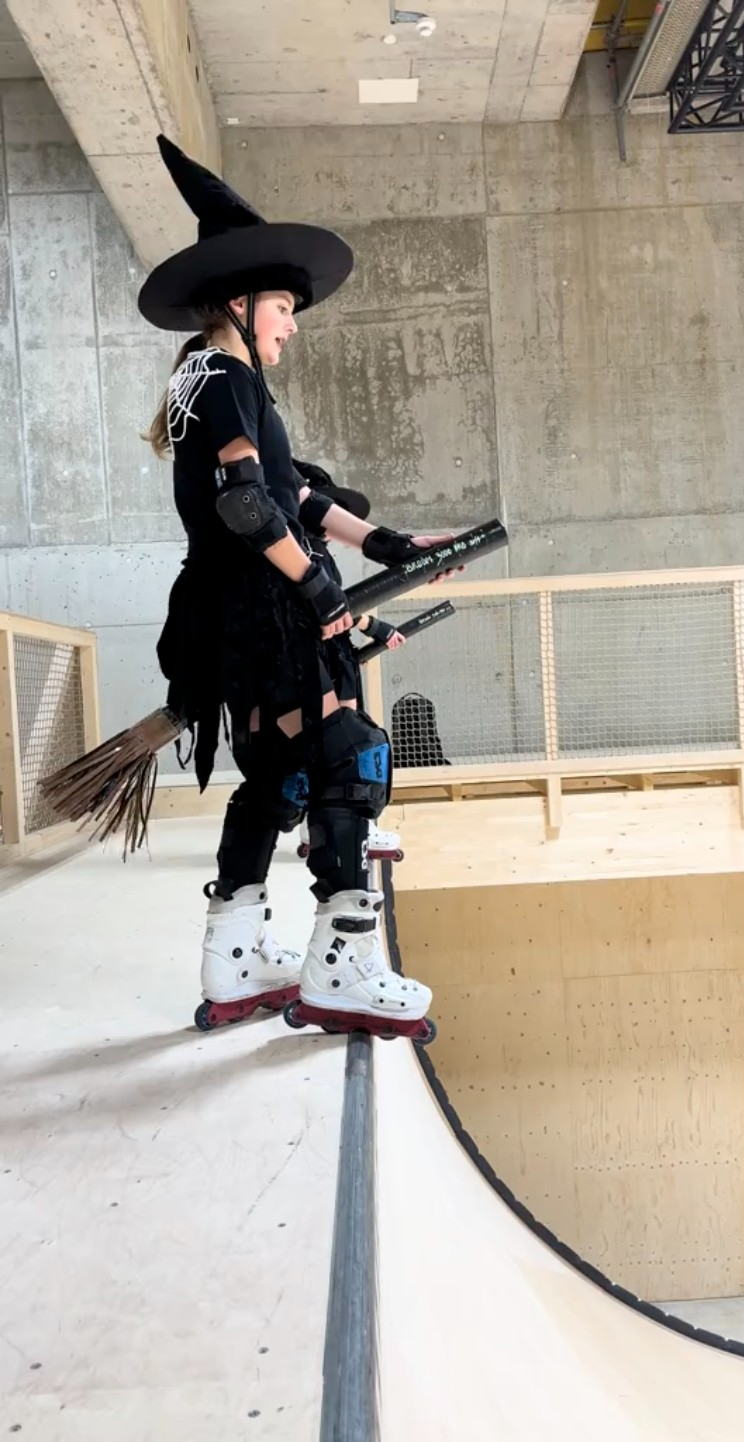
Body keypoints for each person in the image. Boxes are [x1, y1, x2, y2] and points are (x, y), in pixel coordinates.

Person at [138, 135, 452, 1039]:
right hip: (260, 606)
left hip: (238, 605)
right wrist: (318, 597)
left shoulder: (215, 381)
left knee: (274, 776)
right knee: (347, 750)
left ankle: (234, 960)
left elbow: (294, 496)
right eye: (282, 305)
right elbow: (246, 506)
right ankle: (341, 965)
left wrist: (384, 540)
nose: (293, 322)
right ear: (236, 303)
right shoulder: (221, 373)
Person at [293, 461, 405, 862]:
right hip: (316, 653)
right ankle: (343, 830)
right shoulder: (298, 548)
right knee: (344, 744)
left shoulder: (315, 550)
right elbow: (321, 608)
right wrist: (375, 626)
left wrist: (374, 628)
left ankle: (345, 829)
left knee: (344, 741)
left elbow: (339, 608)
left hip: (336, 652)